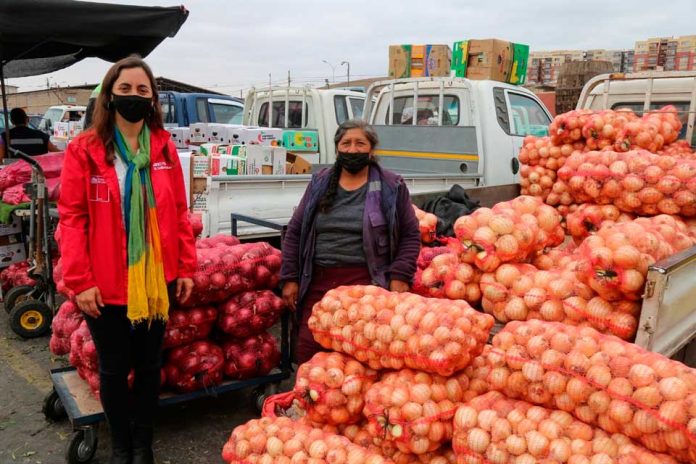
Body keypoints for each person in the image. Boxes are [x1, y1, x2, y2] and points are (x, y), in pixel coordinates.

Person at [57, 55, 197, 464]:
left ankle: (144, 444)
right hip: (105, 283)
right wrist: (80, 280)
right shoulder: (85, 150)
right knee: (116, 370)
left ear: (152, 98)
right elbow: (72, 217)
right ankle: (121, 446)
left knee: (150, 366)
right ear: (109, 95)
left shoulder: (164, 147)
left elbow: (178, 212)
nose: (134, 96)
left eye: (142, 90)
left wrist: (186, 266)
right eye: (125, 89)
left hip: (155, 281)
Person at [280, 119, 421, 364]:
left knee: (359, 356)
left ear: (371, 149)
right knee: (309, 353)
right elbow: (295, 231)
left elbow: (410, 234)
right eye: (346, 143)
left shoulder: (391, 186)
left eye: (360, 143)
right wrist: (290, 278)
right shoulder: (320, 183)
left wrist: (400, 276)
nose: (353, 150)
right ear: (337, 149)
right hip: (319, 283)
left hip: (366, 286)